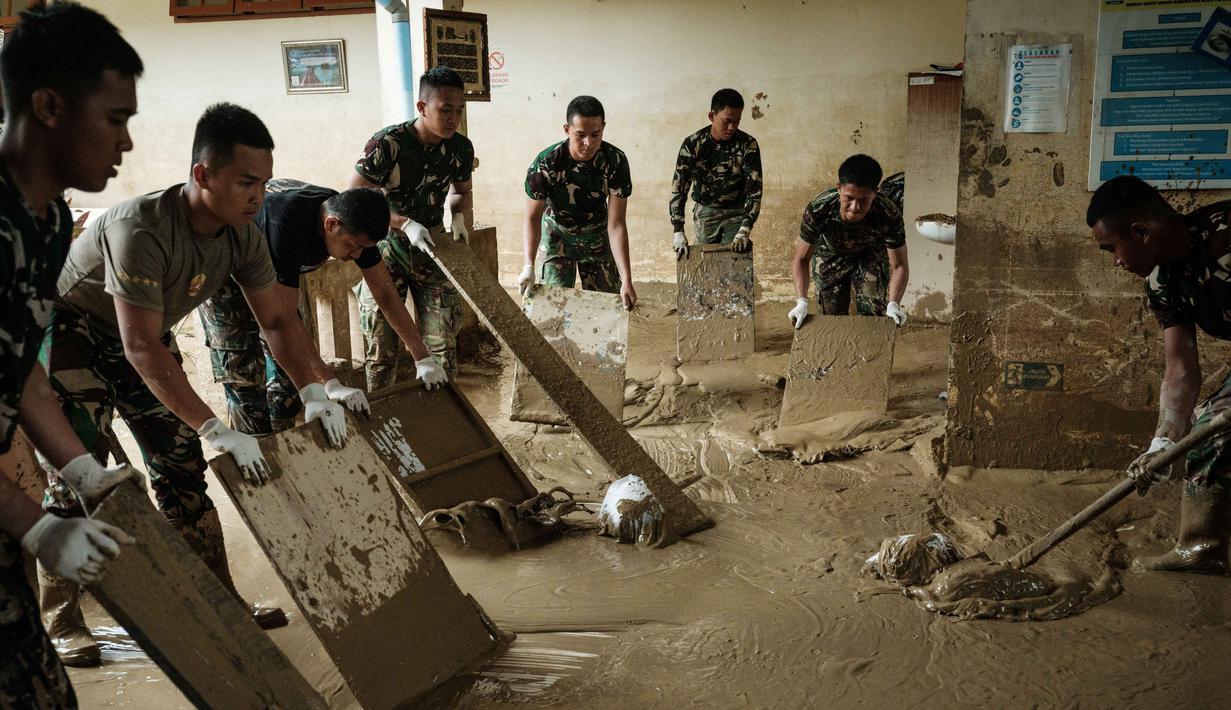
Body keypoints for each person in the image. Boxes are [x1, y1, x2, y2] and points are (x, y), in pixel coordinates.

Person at [43, 103, 364, 645]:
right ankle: (61, 620)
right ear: (202, 175)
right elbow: (141, 346)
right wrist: (215, 426)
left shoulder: (243, 235)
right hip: (73, 336)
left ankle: (221, 602)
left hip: (143, 336)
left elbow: (278, 319)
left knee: (182, 470)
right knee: (78, 475)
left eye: (262, 182)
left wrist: (314, 388)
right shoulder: (139, 230)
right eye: (244, 182)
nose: (258, 197)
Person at [0, 2, 143, 697]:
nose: (126, 144)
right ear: (51, 106)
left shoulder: (49, 220)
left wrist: (82, 469)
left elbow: (21, 369)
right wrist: (35, 524)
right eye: (115, 119)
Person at [197, 179, 445, 435]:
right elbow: (283, 320)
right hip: (224, 275)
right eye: (354, 246)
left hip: (269, 272)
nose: (357, 255)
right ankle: (253, 453)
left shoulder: (352, 221)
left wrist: (422, 357)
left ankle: (283, 453)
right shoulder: (285, 226)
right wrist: (330, 384)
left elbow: (384, 291)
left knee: (289, 386)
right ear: (331, 224)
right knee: (247, 383)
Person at [1088, 175, 1231, 574]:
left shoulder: (1225, 236)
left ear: (1140, 232)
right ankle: (1203, 547)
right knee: (1211, 430)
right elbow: (1181, 366)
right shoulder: (1163, 279)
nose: (1115, 261)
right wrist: (1163, 442)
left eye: (1112, 248)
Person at [350, 67, 472, 391]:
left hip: (432, 248)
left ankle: (446, 427)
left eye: (459, 109)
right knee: (381, 350)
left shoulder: (460, 148)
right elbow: (353, 197)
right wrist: (403, 223)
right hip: (384, 249)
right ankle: (383, 426)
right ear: (422, 107)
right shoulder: (387, 144)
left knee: (443, 348)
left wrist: (457, 216)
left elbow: (461, 190)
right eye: (445, 109)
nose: (453, 118)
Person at [518, 95, 637, 310]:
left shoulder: (615, 161)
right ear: (567, 129)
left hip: (597, 235)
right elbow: (532, 217)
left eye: (595, 134)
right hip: (557, 235)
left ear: (603, 127)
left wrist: (626, 279)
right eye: (580, 135)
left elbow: (617, 223)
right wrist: (528, 265)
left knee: (607, 309)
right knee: (551, 310)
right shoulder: (547, 163)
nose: (588, 143)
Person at [788, 154, 910, 329]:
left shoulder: (888, 213)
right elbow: (801, 259)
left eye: (863, 200)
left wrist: (894, 304)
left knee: (873, 316)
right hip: (831, 253)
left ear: (875, 192)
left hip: (870, 254)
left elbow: (899, 265)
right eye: (849, 198)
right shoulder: (819, 209)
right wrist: (801, 301)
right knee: (830, 318)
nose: (855, 207)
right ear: (839, 188)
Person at [668, 88, 763, 259]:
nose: (732, 127)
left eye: (737, 121)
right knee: (706, 264)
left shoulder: (748, 145)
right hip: (706, 213)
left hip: (737, 212)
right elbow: (679, 187)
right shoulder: (693, 144)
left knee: (733, 261)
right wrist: (678, 229)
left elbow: (754, 190)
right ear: (711, 116)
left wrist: (746, 227)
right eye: (727, 121)